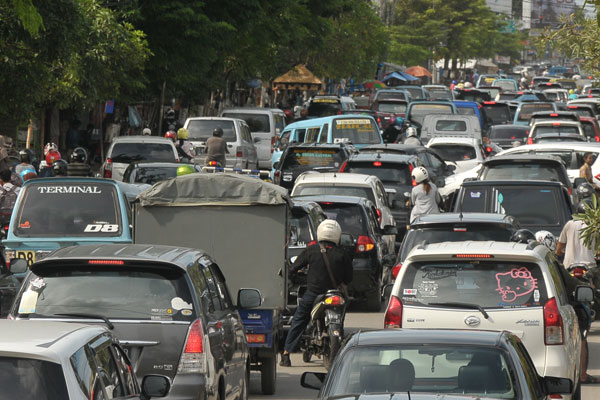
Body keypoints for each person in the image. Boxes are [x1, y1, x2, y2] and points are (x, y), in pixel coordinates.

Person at [280, 220, 352, 367]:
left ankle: (286, 354)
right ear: (337, 234)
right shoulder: (342, 254)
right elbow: (348, 279)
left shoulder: (311, 250)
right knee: (340, 317)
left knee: (299, 321)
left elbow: (293, 268)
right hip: (334, 295)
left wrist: (295, 275)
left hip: (313, 294)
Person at [537, 230, 600, 385]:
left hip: (571, 266)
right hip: (585, 270)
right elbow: (571, 284)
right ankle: (583, 375)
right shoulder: (550, 263)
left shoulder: (569, 226)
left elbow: (561, 244)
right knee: (582, 335)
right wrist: (588, 288)